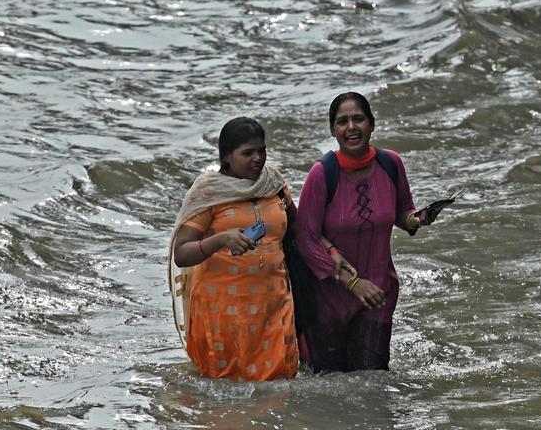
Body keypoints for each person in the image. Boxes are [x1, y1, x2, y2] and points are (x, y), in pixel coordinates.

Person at [169, 117, 350, 381]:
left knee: (280, 379)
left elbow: (299, 228)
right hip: (223, 308)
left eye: (261, 150)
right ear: (227, 157)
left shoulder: (273, 183)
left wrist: (331, 249)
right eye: (247, 153)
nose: (257, 158)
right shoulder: (208, 193)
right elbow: (182, 253)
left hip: (274, 301)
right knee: (228, 387)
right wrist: (220, 240)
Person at [293, 92, 431, 372]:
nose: (351, 127)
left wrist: (416, 220)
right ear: (333, 130)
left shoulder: (391, 164)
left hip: (378, 294)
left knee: (372, 385)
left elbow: (402, 214)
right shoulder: (321, 174)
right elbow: (305, 238)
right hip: (328, 301)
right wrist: (353, 284)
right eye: (342, 122)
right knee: (331, 388)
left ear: (372, 124)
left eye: (358, 119)